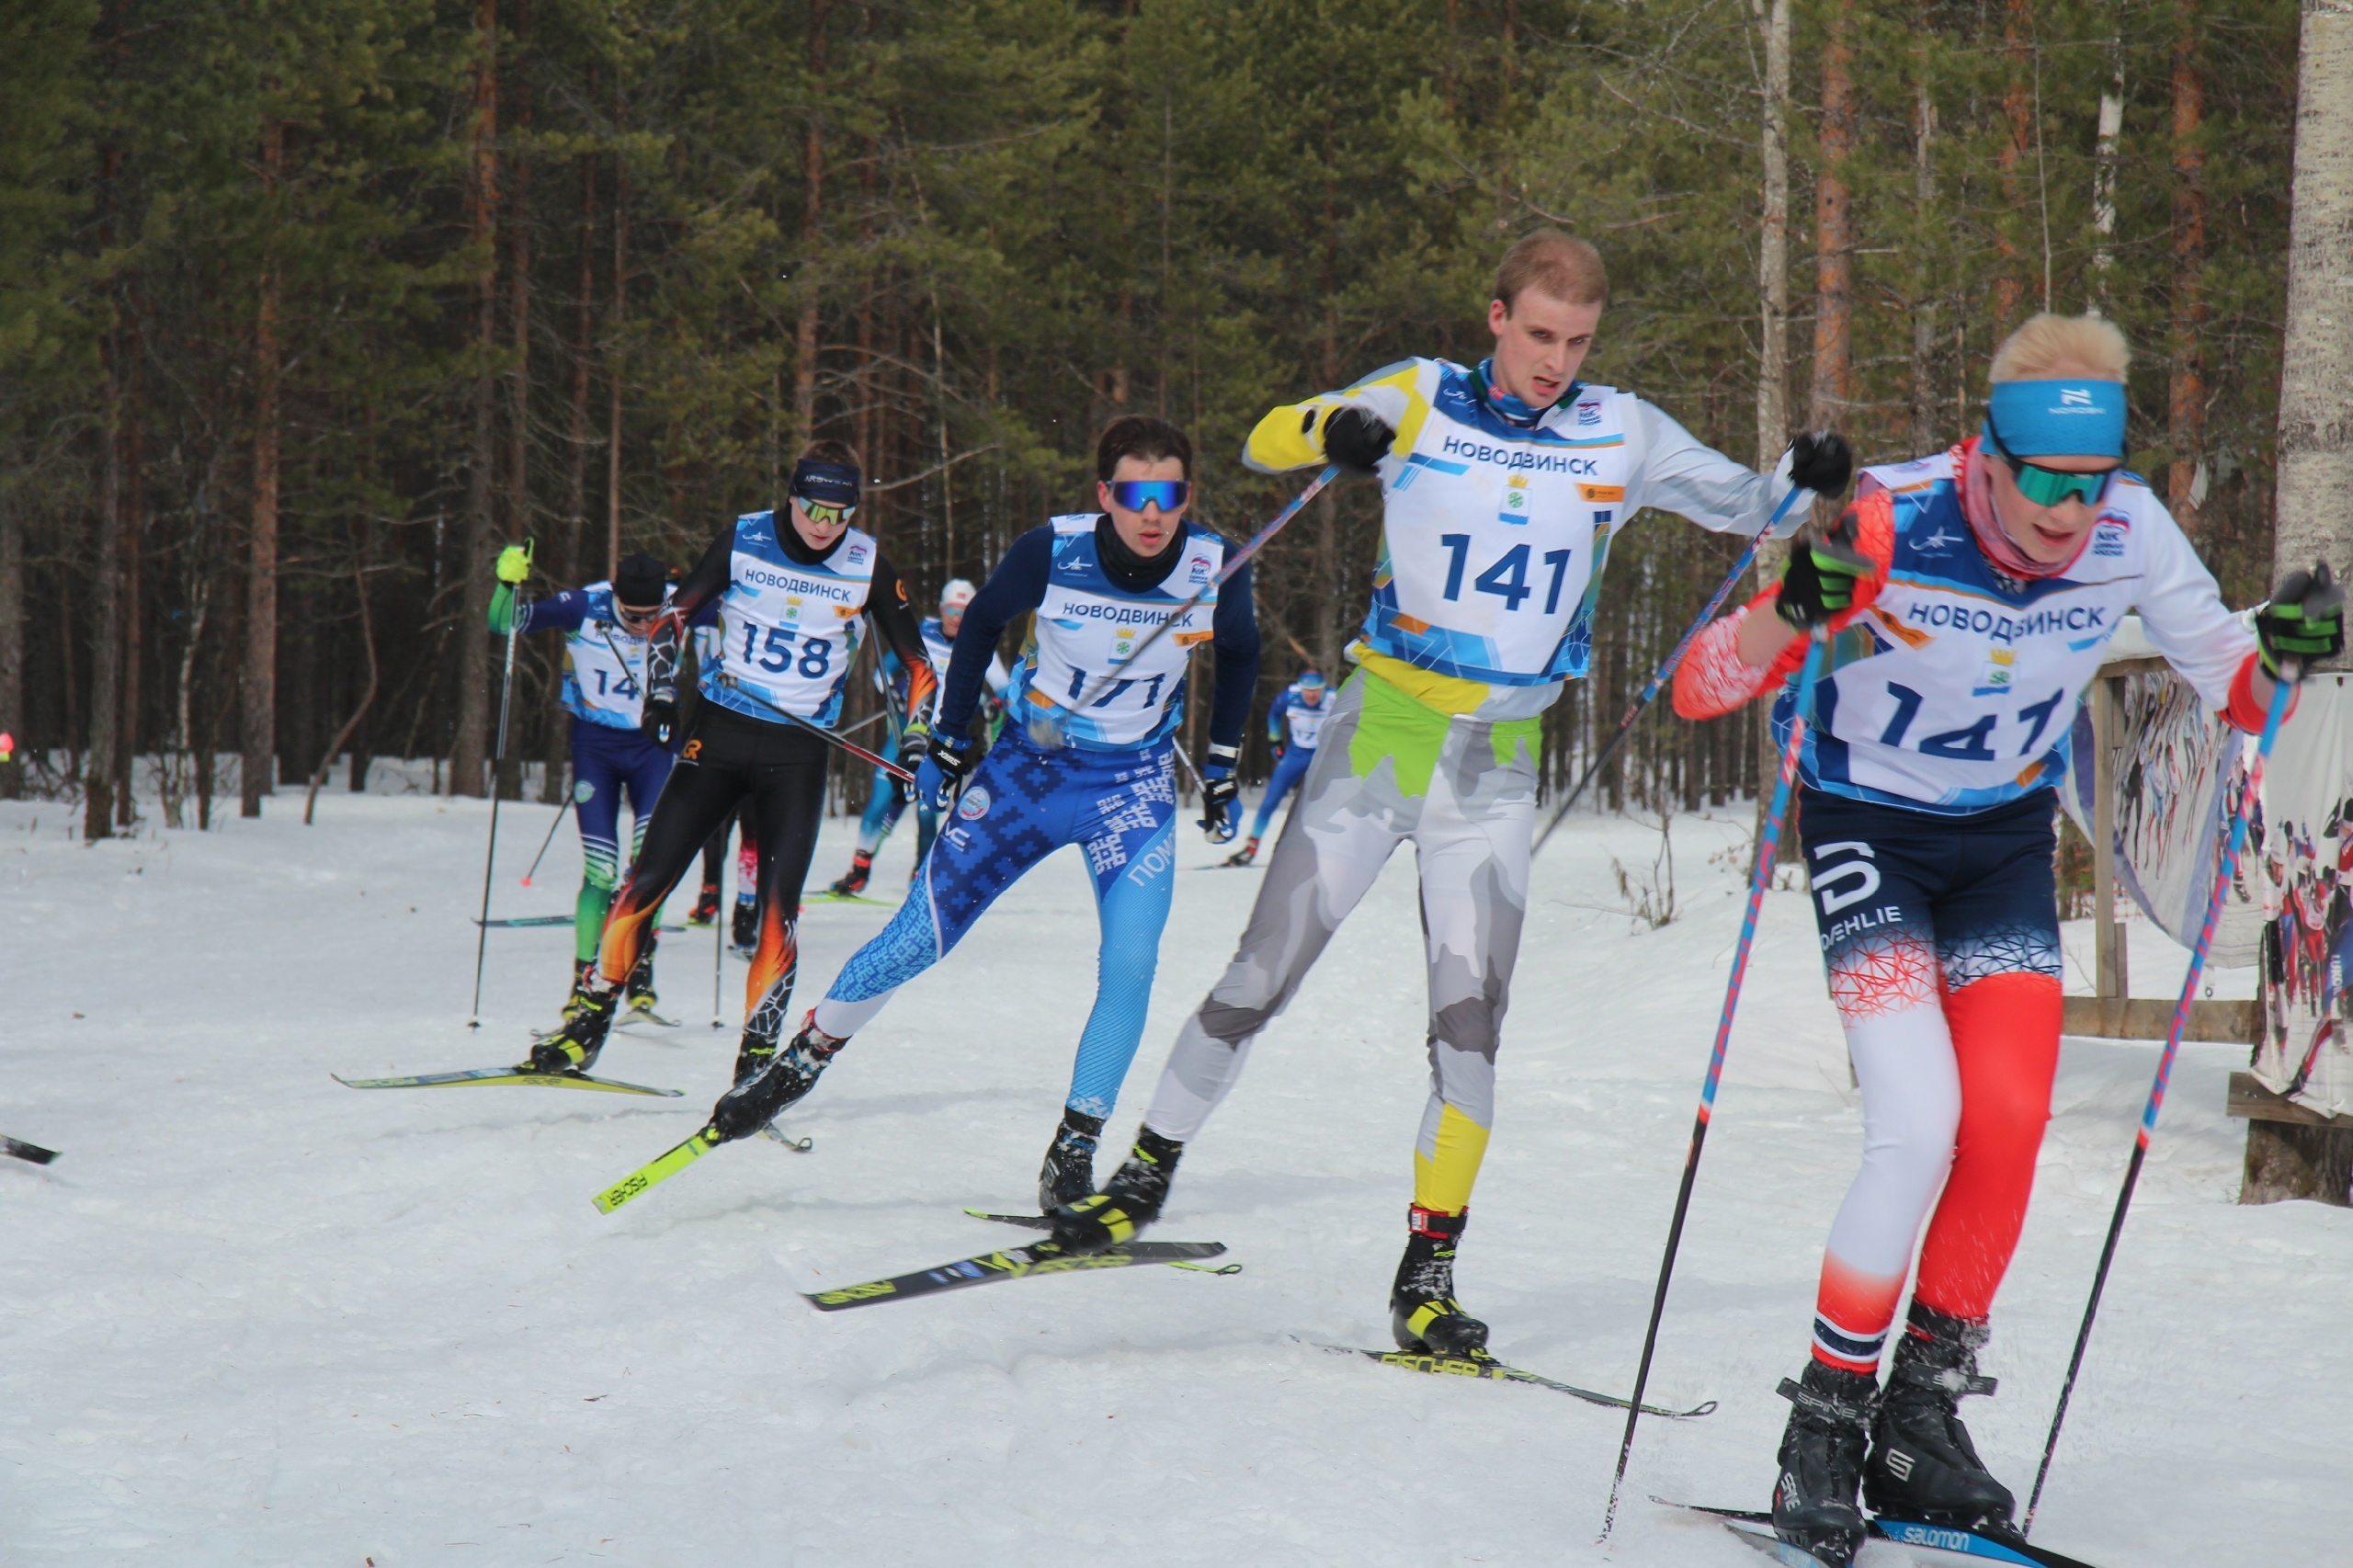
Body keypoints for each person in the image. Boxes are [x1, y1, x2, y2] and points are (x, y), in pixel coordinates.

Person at [1045, 229, 1851, 1360]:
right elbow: (1269, 439)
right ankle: (1144, 1170)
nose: (1554, 360)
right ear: (1495, 316)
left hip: (1496, 760)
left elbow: (1750, 510)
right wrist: (1340, 427)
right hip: (1382, 734)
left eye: (1575, 341)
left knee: (1470, 1027)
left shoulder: (1620, 430)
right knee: (1259, 975)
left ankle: (1427, 1274)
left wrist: (1803, 478)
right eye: (1537, 334)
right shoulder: (1423, 397)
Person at [1666, 312, 2342, 1563]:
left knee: (2011, 1116)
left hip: (1997, 845)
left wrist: (2287, 656)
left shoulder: (2132, 527)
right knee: (1916, 1119)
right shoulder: (1890, 518)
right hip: (1869, 823)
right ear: (1989, 452)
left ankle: (1919, 1415)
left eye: (2088, 483)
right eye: (2041, 479)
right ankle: (1824, 1422)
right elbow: (1700, 681)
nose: (2065, 512)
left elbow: (2234, 685)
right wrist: (1791, 615)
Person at [705, 415, 1262, 1207]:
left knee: (1133, 963)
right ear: (1106, 495)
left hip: (1130, 789)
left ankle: (1074, 1147)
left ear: (1186, 496)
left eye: (1167, 494)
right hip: (1028, 775)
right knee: (917, 940)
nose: (1151, 514)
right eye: (1134, 494)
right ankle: (802, 1059)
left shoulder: (1214, 565)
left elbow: (1243, 652)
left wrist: (1221, 762)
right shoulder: (1053, 550)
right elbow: (980, 630)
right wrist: (954, 737)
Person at [526, 440, 938, 1084]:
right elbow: (672, 617)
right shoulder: (744, 538)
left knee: (779, 910)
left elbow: (918, 665)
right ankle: (589, 1022)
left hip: (798, 752)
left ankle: (754, 1065)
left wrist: (916, 736)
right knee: (646, 878)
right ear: (791, 497)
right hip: (717, 734)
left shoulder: (870, 564)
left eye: (841, 514)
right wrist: (662, 692)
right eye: (813, 509)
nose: (825, 526)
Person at [487, 549, 676, 1021]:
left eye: (651, 616)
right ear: (615, 598)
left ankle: (640, 974)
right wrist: (506, 585)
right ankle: (582, 981)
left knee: (649, 868)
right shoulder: (583, 606)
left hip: (654, 749)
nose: (642, 624)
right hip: (596, 747)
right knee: (601, 871)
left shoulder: (680, 606)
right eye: (633, 616)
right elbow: (505, 623)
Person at [825, 582, 1010, 895]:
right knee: (880, 801)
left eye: (964, 612)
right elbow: (881, 674)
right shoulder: (922, 636)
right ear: (941, 609)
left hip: (944, 742)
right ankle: (859, 871)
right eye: (952, 610)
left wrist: (993, 707)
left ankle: (921, 879)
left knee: (926, 813)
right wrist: (895, 696)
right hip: (908, 734)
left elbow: (1006, 691)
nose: (957, 618)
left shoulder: (980, 644)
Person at [1222, 669, 1327, 867]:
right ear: (1301, 689)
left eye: (1316, 691)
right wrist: (1275, 740)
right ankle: (1251, 847)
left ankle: (1326, 850)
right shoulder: (1289, 696)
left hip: (1323, 757)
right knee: (1271, 799)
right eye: (1307, 691)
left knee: (1326, 804)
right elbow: (1274, 714)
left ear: (1323, 689)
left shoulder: (1333, 698)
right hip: (1296, 755)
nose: (1312, 695)